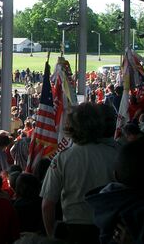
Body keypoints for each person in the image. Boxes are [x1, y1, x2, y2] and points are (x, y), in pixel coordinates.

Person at [40, 103, 118, 244]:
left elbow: (47, 205)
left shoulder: (62, 158)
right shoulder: (116, 156)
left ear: (72, 128)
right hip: (107, 230)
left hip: (73, 232)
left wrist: (51, 236)